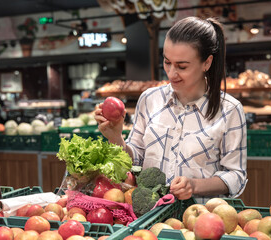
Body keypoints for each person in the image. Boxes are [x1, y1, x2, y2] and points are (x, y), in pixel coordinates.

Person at [94, 16, 247, 203]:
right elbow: (135, 160)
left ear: (207, 63)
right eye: (167, 62)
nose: (172, 73)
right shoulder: (149, 99)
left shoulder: (230, 110)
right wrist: (116, 139)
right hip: (149, 216)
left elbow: (236, 176)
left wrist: (195, 185)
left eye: (182, 66)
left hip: (199, 218)